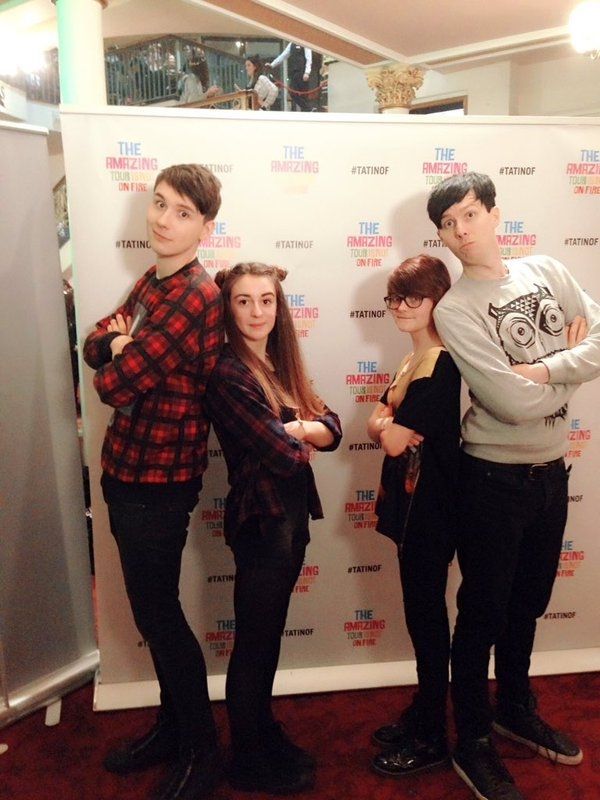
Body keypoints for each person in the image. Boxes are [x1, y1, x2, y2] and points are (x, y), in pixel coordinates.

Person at [427, 171, 600, 800]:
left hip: (552, 474)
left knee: (527, 604)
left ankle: (514, 707)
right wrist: (572, 372)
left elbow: (597, 344)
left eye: (470, 214)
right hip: (492, 480)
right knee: (483, 611)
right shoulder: (454, 308)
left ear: (495, 214)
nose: (460, 231)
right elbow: (508, 402)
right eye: (448, 224)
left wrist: (545, 368)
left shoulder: (549, 271)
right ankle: (471, 738)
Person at [83, 164, 224, 800]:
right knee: (151, 611)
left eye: (182, 213)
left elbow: (111, 383)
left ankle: (201, 750)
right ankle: (172, 728)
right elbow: (93, 341)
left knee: (160, 616)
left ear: (206, 226)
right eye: (160, 205)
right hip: (124, 470)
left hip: (161, 480)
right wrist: (113, 345)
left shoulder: (194, 293)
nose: (164, 220)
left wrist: (117, 351)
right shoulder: (153, 276)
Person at [204, 262, 342, 794]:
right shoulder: (228, 372)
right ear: (228, 306)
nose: (257, 311)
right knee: (255, 642)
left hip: (290, 515)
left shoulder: (280, 364)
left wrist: (302, 427)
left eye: (266, 300)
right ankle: (246, 755)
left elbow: (329, 426)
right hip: (261, 519)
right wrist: (300, 436)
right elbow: (285, 456)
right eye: (244, 301)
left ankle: (260, 731)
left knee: (268, 638)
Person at [366, 255, 461, 778]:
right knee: (420, 616)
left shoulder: (442, 363)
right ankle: (425, 712)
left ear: (436, 300)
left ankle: (432, 735)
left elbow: (402, 435)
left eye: (414, 298)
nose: (402, 308)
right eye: (395, 298)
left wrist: (385, 426)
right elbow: (381, 423)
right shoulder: (414, 359)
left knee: (427, 620)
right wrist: (385, 426)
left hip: (433, 511)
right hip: (412, 510)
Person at [266, 42, 313, 111]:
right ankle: (308, 109)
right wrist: (272, 64)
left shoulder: (304, 42)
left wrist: (307, 72)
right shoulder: (291, 44)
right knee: (293, 93)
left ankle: (307, 110)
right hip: (294, 73)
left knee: (303, 95)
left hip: (302, 73)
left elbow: (309, 58)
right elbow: (283, 55)